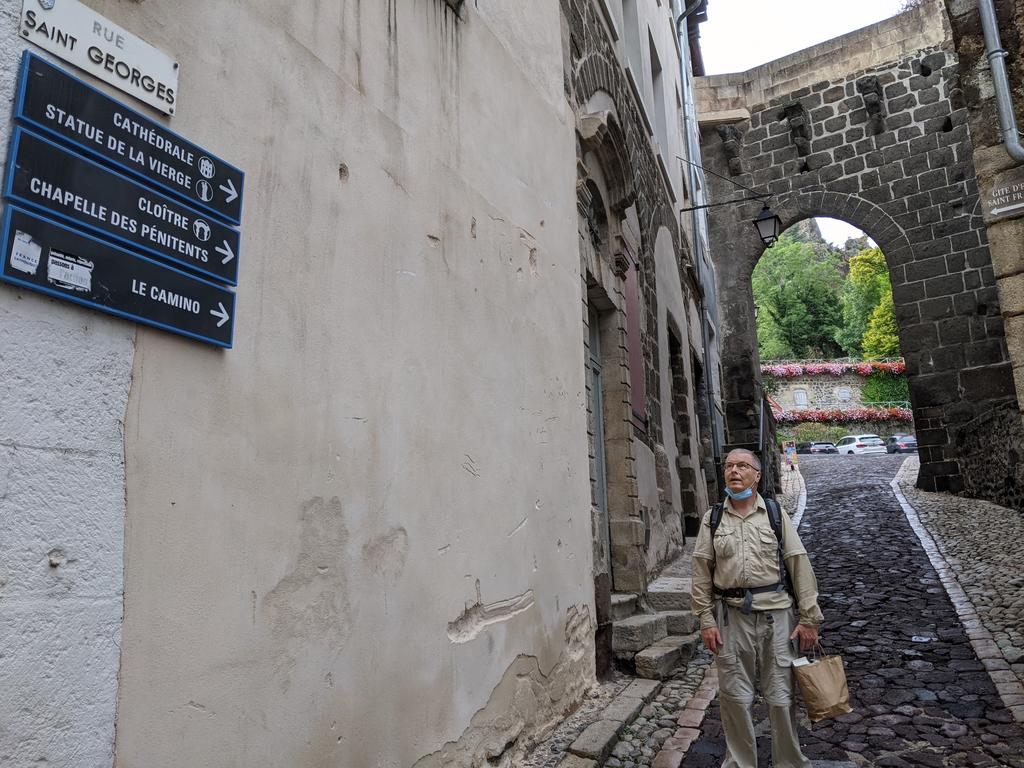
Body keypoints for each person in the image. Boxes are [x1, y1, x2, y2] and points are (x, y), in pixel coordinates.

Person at [691, 448, 824, 768]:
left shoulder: (775, 514)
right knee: (734, 697)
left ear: (757, 475)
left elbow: (798, 564)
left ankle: (789, 763)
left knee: (781, 696)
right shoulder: (713, 518)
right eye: (729, 466)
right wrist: (706, 619)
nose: (734, 471)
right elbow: (701, 571)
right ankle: (740, 764)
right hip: (731, 618)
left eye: (742, 466)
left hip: (777, 618)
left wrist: (809, 618)